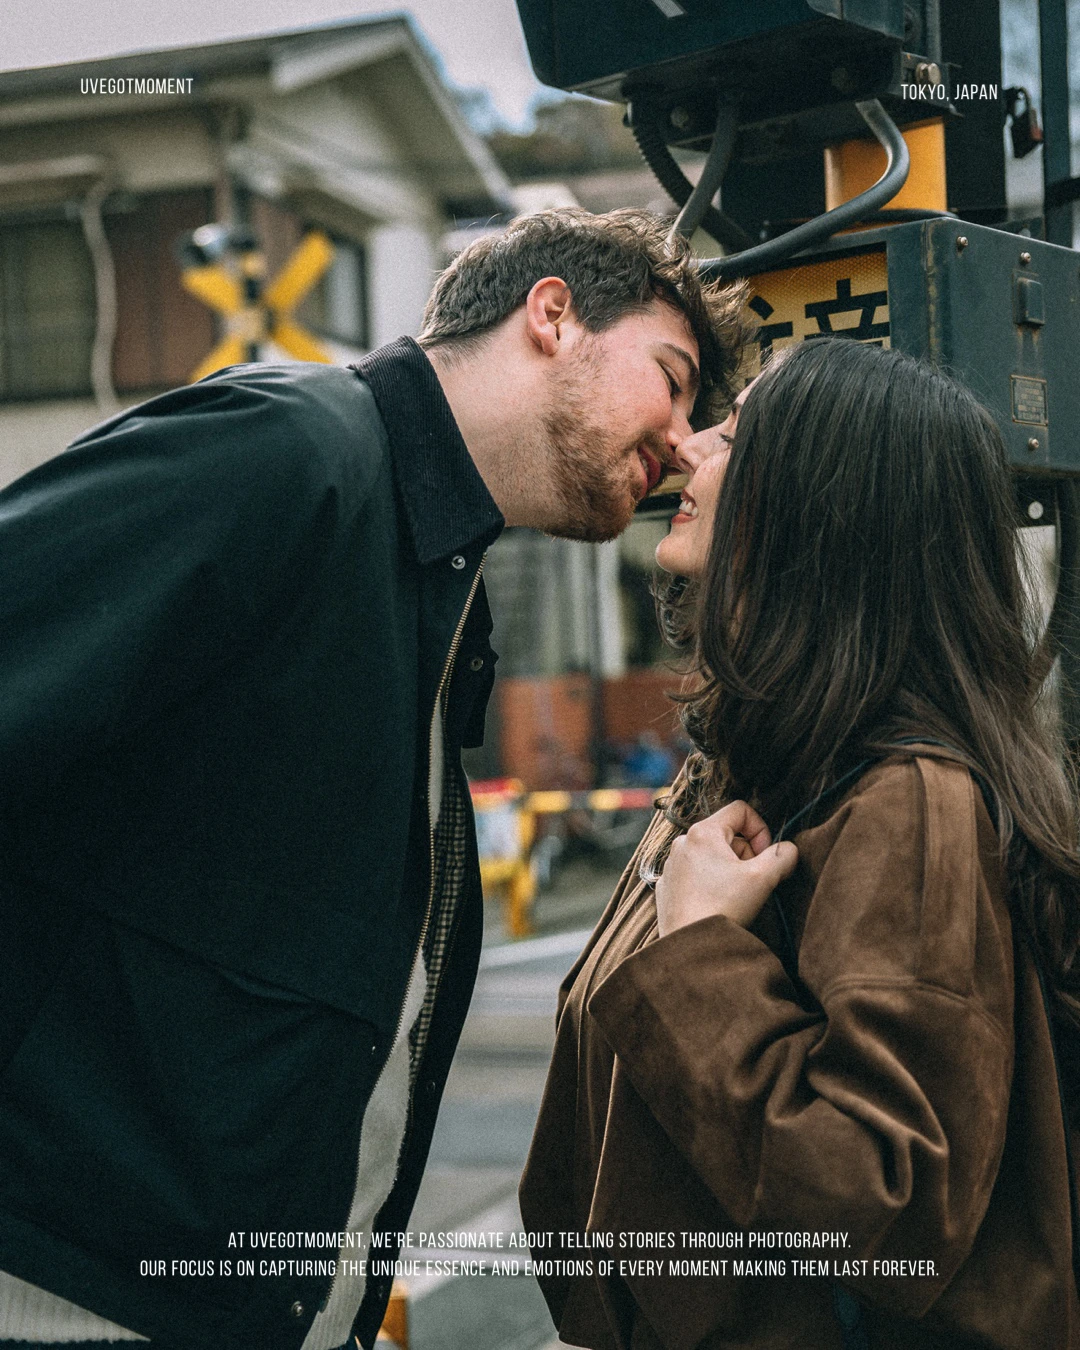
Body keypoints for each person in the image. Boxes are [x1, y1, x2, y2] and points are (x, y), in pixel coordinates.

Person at [0, 208, 746, 1350]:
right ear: (552, 315)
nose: (688, 442)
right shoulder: (287, 451)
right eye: (674, 377)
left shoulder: (433, 572)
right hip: (70, 1294)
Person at [520, 338, 1080, 1349]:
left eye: (735, 434)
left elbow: (887, 1204)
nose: (690, 446)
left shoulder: (907, 801)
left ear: (818, 504)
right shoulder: (747, 763)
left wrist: (700, 959)